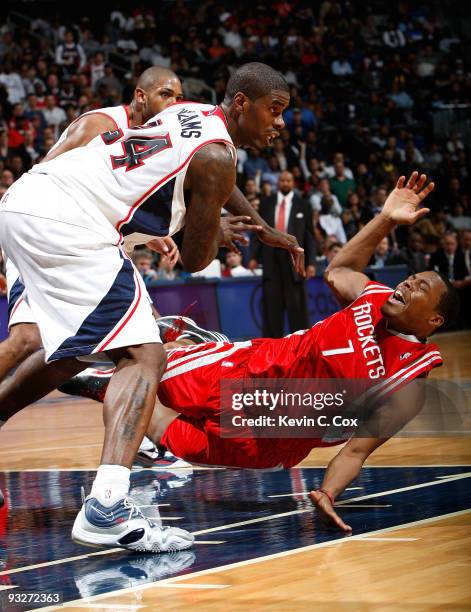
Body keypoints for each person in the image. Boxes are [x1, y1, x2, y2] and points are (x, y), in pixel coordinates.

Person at [0, 63, 299, 548]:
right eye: (275, 110)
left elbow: (199, 178)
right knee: (145, 355)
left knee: (78, 348)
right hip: (68, 220)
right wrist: (213, 228)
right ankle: (106, 505)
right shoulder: (219, 157)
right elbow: (199, 258)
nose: (281, 122)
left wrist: (247, 220)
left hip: (25, 207)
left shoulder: (191, 113)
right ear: (241, 104)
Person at [61, 173, 457, 533]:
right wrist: (385, 219)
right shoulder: (374, 297)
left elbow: (358, 448)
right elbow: (339, 271)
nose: (406, 284)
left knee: (168, 432)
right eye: (410, 277)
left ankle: (158, 359)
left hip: (272, 441)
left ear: (435, 320)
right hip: (245, 375)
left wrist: (328, 492)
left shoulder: (410, 381)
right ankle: (119, 360)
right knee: (137, 374)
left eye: (420, 287)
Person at [250, 171, 316, 337]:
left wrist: (311, 263)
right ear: (278, 182)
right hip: (271, 260)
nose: (285, 183)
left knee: (298, 311)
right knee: (272, 310)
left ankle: (301, 345)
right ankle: (272, 347)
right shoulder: (266, 203)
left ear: (293, 183)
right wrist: (252, 256)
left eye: (289, 180)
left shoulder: (304, 204)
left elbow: (310, 236)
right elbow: (259, 231)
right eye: (282, 180)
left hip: (295, 261)